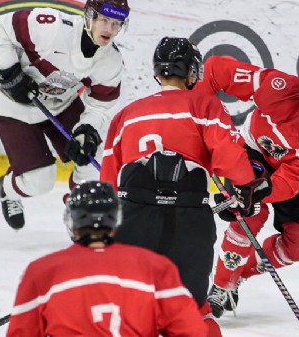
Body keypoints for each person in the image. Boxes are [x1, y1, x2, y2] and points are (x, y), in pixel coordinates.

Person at [99, 37, 272, 336]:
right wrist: (245, 189)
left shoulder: (127, 114)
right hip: (187, 219)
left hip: (133, 218)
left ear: (158, 72)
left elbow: (108, 183)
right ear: (191, 73)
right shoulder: (204, 105)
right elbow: (230, 157)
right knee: (192, 313)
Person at [195, 55, 299, 318]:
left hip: (285, 174)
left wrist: (258, 193)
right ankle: (222, 286)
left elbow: (290, 180)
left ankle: (239, 273)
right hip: (252, 153)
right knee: (252, 215)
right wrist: (197, 117)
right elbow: (215, 70)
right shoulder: (278, 88)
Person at [0, 0, 130, 230]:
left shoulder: (110, 61)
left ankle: (77, 206)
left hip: (60, 104)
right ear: (89, 16)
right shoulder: (52, 27)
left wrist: (87, 131)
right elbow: (2, 26)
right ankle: (7, 188)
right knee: (39, 182)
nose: (110, 30)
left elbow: (101, 104)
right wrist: (9, 70)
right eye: (104, 20)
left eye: (116, 23)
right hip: (13, 107)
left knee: (94, 155)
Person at [6, 181, 207, 336]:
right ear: (116, 220)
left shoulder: (41, 272)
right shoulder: (155, 266)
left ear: (72, 221)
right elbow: (192, 331)